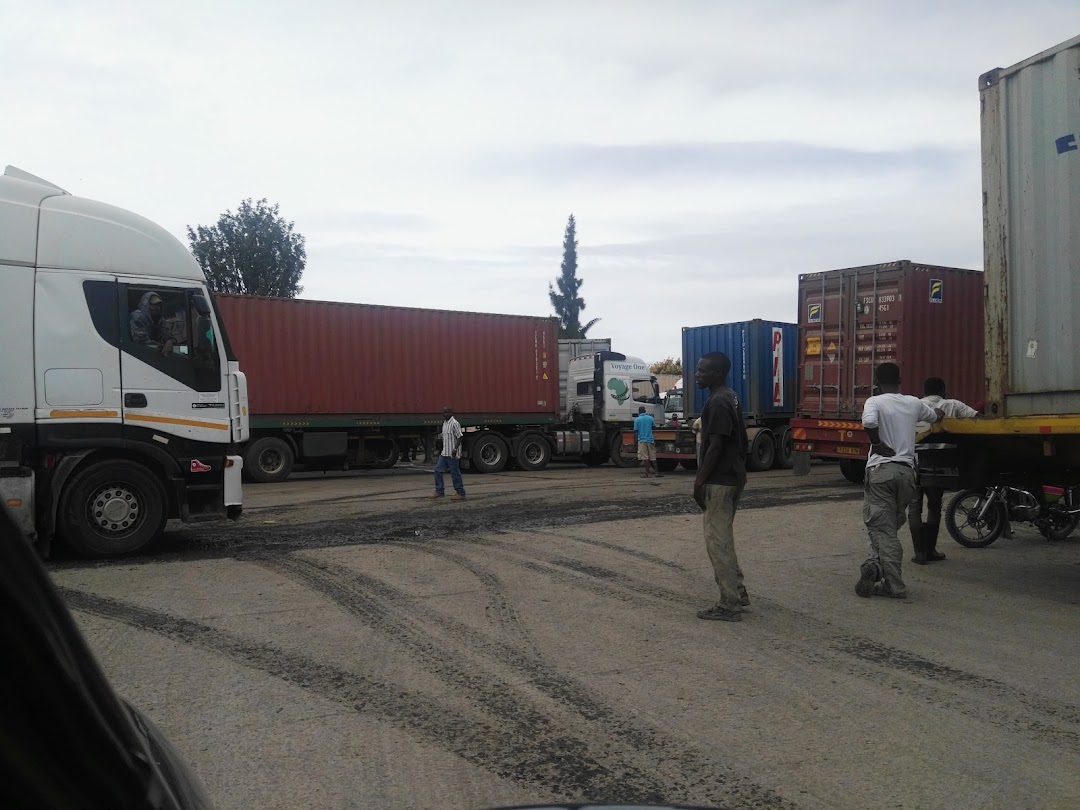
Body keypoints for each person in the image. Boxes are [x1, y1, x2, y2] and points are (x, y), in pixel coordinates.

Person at [856, 363, 945, 599]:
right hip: (907, 474)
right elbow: (935, 416)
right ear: (900, 380)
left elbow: (869, 422)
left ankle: (894, 585)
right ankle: (874, 566)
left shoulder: (874, 402)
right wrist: (940, 413)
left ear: (876, 382)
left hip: (881, 471)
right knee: (889, 526)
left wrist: (876, 443)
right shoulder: (914, 402)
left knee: (882, 528)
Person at [692, 351, 750, 622]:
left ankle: (729, 605)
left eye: (703, 371)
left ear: (717, 374)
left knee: (718, 542)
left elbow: (715, 446)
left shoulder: (717, 402)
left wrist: (699, 480)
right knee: (723, 537)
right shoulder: (731, 396)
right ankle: (738, 591)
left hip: (720, 480)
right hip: (734, 477)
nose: (697, 374)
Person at [908, 377, 979, 564]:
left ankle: (919, 553)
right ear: (942, 389)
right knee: (934, 506)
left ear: (924, 391)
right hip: (939, 467)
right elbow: (978, 419)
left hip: (913, 463)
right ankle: (930, 550)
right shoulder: (952, 404)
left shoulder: (914, 405)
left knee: (914, 508)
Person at [430, 406, 466, 501]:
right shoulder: (444, 424)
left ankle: (460, 493)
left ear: (451, 413)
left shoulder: (454, 423)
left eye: (446, 412)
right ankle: (440, 491)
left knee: (455, 473)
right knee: (438, 470)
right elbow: (444, 436)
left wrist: (455, 449)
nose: (444, 414)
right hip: (444, 453)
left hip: (452, 453)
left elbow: (460, 436)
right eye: (443, 412)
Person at [634, 406, 661, 478]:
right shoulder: (650, 418)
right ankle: (657, 473)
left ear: (639, 411)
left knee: (645, 457)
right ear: (645, 411)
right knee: (653, 457)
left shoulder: (637, 420)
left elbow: (636, 431)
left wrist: (636, 441)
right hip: (650, 440)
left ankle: (647, 474)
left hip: (642, 440)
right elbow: (654, 427)